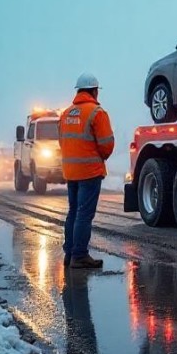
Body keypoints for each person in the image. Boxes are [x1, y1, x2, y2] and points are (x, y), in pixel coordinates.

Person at [59, 73, 114, 269]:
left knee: (73, 211)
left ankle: (69, 253)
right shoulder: (97, 113)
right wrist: (99, 158)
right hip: (90, 171)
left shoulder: (66, 114)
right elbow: (107, 144)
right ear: (94, 91)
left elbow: (62, 142)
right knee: (84, 214)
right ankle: (80, 255)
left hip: (71, 171)